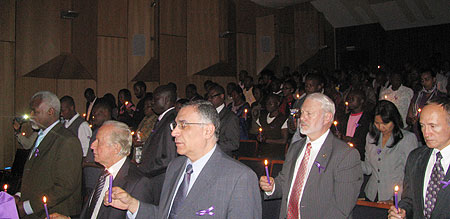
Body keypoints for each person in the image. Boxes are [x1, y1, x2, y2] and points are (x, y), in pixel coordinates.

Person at [104, 100, 262, 218]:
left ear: (208, 130)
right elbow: (166, 215)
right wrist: (132, 204)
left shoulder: (240, 178)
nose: (174, 133)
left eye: (183, 125)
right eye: (175, 126)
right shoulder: (176, 166)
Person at [260, 93, 363, 219]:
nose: (302, 118)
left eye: (309, 113)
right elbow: (285, 181)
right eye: (302, 113)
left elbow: (341, 208)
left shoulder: (345, 155)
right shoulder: (295, 147)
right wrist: (272, 186)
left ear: (327, 117)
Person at [15, 91, 82, 218]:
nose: (31, 115)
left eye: (35, 112)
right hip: (37, 209)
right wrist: (20, 196)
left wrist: (27, 207)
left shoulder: (67, 140)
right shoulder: (42, 135)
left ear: (50, 112)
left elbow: (65, 186)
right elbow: (35, 173)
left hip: (53, 213)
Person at [389, 97, 450, 219]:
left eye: (433, 126)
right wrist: (403, 211)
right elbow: (410, 200)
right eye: (422, 126)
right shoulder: (416, 158)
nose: (426, 133)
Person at [78, 121, 154, 219]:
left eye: (99, 141)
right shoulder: (104, 174)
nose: (92, 146)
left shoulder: (138, 183)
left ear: (116, 148)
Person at [362, 100, 418, 203]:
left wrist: (396, 198)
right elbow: (368, 168)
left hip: (395, 197)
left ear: (394, 120)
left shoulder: (407, 139)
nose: (381, 127)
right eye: (377, 123)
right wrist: (350, 160)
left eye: (385, 123)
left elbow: (411, 174)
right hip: (372, 194)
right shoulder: (371, 137)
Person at [138, 85, 178, 201]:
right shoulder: (163, 119)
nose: (152, 103)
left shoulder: (170, 121)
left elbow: (169, 158)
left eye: (155, 99)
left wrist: (145, 168)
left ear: (166, 100)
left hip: (160, 178)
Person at [406, 69, 446, 143]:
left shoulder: (440, 97)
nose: (424, 83)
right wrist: (412, 121)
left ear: (434, 80)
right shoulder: (417, 96)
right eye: (422, 80)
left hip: (433, 137)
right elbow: (408, 118)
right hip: (417, 136)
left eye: (427, 79)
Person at [337, 89, 373, 160]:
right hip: (344, 155)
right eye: (349, 98)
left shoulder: (368, 119)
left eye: (353, 98)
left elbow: (367, 140)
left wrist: (350, 139)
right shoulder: (344, 118)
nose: (350, 100)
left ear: (361, 101)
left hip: (359, 157)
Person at [207, 84, 240, 156]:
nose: (209, 99)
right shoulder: (207, 115)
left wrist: (211, 146)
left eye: (212, 97)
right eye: (208, 97)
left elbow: (234, 144)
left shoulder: (230, 117)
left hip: (222, 157)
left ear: (221, 96)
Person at [256, 94, 288, 159]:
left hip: (276, 153)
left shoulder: (282, 119)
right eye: (267, 103)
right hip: (263, 152)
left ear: (278, 103)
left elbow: (284, 140)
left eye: (270, 103)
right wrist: (259, 137)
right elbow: (259, 133)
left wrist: (268, 140)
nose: (268, 105)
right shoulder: (262, 118)